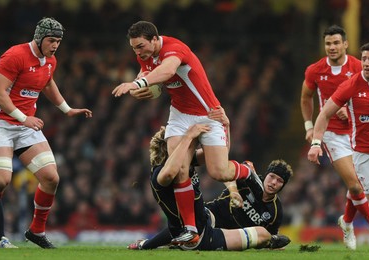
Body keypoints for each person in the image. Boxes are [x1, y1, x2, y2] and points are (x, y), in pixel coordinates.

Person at [112, 21, 257, 244]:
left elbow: (168, 70)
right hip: (179, 115)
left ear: (154, 39)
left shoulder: (175, 48)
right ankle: (190, 229)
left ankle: (246, 170)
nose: (137, 52)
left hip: (209, 113)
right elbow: (149, 74)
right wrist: (140, 88)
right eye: (133, 48)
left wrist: (136, 82)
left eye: (140, 46)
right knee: (180, 167)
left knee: (220, 172)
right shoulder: (144, 54)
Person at [0, 17, 92, 249]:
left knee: (51, 178)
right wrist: (23, 117)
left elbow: (48, 84)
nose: (55, 45)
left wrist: (67, 109)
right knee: (1, 181)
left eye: (58, 41)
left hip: (26, 127)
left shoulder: (50, 60)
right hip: (1, 123)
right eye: (51, 40)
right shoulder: (14, 56)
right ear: (39, 38)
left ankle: (36, 231)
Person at [128, 125, 290, 251]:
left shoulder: (186, 163)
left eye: (279, 180)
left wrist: (224, 127)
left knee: (200, 217)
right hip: (201, 237)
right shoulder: (160, 174)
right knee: (262, 234)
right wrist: (188, 137)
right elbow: (170, 173)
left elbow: (219, 157)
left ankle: (168, 243)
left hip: (198, 223)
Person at [300, 25, 369, 250]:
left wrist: (350, 107)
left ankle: (346, 222)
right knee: (356, 186)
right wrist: (310, 127)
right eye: (328, 44)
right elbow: (305, 97)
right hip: (331, 134)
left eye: (336, 43)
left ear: (345, 44)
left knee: (359, 184)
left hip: (357, 132)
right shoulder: (315, 70)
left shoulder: (360, 66)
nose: (332, 47)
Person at [205, 159, 292, 236]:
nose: (273, 182)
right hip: (215, 213)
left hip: (234, 236)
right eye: (272, 176)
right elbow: (229, 172)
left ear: (283, 186)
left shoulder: (276, 211)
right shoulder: (250, 180)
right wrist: (234, 191)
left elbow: (270, 235)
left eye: (279, 181)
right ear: (266, 175)